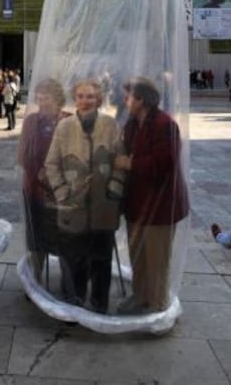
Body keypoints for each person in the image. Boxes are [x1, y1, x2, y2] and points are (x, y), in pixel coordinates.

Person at [44, 79, 123, 313]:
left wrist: (114, 189)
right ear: (74, 98)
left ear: (98, 99)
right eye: (80, 96)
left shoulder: (110, 125)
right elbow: (51, 163)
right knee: (72, 257)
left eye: (90, 96)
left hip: (103, 205)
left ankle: (99, 305)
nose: (85, 101)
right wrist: (62, 193)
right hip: (72, 204)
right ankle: (72, 301)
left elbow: (120, 161)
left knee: (101, 258)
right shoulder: (64, 126)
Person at [114, 77, 189, 315]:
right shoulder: (132, 124)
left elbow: (164, 163)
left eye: (128, 96)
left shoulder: (164, 124)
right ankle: (140, 296)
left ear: (142, 100)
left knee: (157, 258)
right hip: (136, 203)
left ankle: (158, 304)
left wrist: (130, 163)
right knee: (138, 256)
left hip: (160, 205)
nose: (124, 101)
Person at [18, 78, 71, 281]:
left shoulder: (69, 120)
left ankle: (69, 280)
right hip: (35, 188)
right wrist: (36, 169)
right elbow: (22, 154)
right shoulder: (32, 121)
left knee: (64, 235)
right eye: (39, 97)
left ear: (57, 98)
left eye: (46, 97)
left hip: (62, 191)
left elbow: (76, 155)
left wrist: (56, 173)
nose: (42, 102)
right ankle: (35, 277)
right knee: (36, 235)